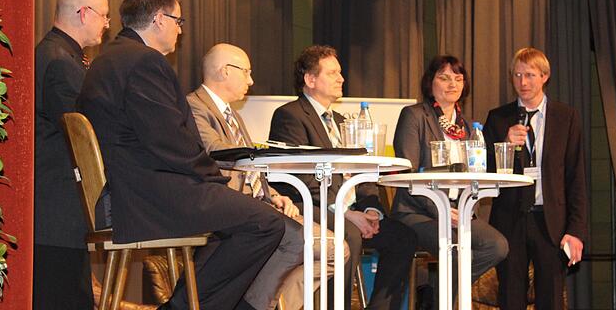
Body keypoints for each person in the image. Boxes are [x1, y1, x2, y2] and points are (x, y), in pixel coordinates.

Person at [76, 0, 285, 310]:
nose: (179, 31)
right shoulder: (143, 62)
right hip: (145, 193)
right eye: (178, 22)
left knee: (236, 220)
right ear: (159, 19)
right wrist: (214, 177)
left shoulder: (108, 59)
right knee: (265, 223)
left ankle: (182, 304)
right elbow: (169, 139)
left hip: (128, 187)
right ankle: (182, 307)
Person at [187, 43, 349, 310]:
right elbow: (214, 151)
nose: (251, 80)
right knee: (299, 239)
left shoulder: (233, 116)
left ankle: (266, 301)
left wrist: (274, 194)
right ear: (224, 71)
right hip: (227, 206)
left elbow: (253, 169)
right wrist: (258, 153)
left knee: (336, 249)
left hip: (257, 204)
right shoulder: (195, 107)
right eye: (246, 72)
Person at [269, 45, 416, 310]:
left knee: (403, 237)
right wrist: (345, 213)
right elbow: (303, 178)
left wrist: (371, 209)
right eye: (333, 73)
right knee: (348, 235)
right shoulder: (290, 116)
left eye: (340, 72)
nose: (342, 78)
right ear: (310, 79)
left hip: (351, 209)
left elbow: (363, 170)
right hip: (312, 207)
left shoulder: (340, 120)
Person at [390, 55, 509, 304]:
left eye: (458, 78)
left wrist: (464, 209)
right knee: (457, 249)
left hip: (457, 211)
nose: (452, 84)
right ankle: (439, 301)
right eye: (444, 78)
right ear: (430, 83)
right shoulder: (414, 116)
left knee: (497, 245)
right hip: (418, 212)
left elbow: (474, 174)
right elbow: (408, 174)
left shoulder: (468, 127)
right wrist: (441, 209)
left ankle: (435, 296)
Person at [483, 47, 587, 310]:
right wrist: (505, 145)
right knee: (510, 297)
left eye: (529, 75)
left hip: (550, 221)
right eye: (517, 75)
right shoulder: (498, 118)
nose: (523, 82)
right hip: (510, 219)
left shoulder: (566, 117)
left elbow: (576, 178)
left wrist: (575, 230)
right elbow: (483, 173)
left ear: (545, 76)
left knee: (551, 298)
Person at [34, 0, 110, 309]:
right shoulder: (61, 62)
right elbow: (84, 138)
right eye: (104, 16)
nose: (108, 24)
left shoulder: (57, 53)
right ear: (83, 13)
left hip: (56, 212)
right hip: (57, 212)